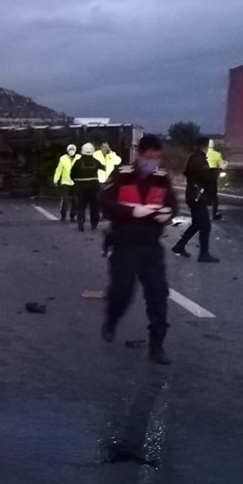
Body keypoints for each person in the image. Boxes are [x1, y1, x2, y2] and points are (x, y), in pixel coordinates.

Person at [99, 134, 178, 365]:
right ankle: (112, 320)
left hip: (150, 246)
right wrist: (131, 211)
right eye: (149, 157)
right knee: (122, 292)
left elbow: (172, 204)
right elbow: (104, 202)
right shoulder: (122, 175)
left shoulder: (162, 178)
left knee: (157, 295)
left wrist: (167, 214)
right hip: (124, 244)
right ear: (140, 155)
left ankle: (157, 346)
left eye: (157, 158)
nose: (153, 162)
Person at [172, 136, 220, 262]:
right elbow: (207, 177)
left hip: (194, 195)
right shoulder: (200, 160)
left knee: (196, 224)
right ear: (206, 146)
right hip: (198, 196)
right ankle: (203, 254)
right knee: (205, 225)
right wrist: (218, 171)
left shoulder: (194, 158)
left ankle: (179, 246)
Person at [69, 143, 103, 232]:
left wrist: (76, 180)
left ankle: (81, 223)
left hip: (80, 186)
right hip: (94, 186)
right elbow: (103, 168)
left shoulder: (78, 162)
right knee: (94, 206)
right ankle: (94, 224)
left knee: (81, 206)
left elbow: (72, 174)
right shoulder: (96, 161)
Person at [52, 144, 78, 222]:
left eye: (73, 150)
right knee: (65, 200)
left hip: (75, 182)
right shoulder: (63, 158)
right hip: (65, 182)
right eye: (70, 150)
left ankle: (73, 215)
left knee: (75, 200)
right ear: (67, 150)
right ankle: (63, 214)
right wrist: (56, 180)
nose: (71, 151)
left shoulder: (78, 158)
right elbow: (59, 170)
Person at [206, 141, 226, 220]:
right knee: (214, 195)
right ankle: (215, 213)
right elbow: (222, 164)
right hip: (213, 174)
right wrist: (220, 170)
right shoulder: (217, 154)